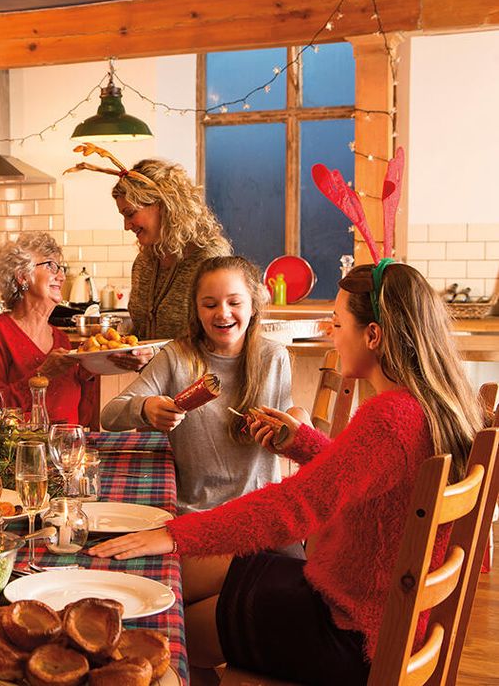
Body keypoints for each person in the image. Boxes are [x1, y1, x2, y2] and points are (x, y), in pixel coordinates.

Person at [89, 260, 481, 685]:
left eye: (336, 323)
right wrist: (301, 441)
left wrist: (176, 534)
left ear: (373, 335)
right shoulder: (421, 406)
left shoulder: (389, 417)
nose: (332, 333)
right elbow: (357, 475)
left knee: (171, 626)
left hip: (348, 631)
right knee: (174, 588)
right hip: (352, 601)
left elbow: (294, 505)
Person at [100, 256, 299, 515]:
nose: (223, 312)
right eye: (209, 304)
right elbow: (109, 416)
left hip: (259, 510)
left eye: (234, 302)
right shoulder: (175, 356)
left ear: (253, 306)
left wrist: (297, 423)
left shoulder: (274, 357)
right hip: (193, 512)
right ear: (196, 309)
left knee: (298, 558)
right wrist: (146, 407)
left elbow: (289, 417)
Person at [110, 159, 231, 372]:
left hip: (202, 389)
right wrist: (121, 339)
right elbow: (142, 329)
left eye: (130, 214)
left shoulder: (209, 259)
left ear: (163, 205)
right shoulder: (144, 262)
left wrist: (157, 355)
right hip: (157, 388)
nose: (127, 225)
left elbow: (222, 338)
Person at [0, 232, 97, 426]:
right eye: (50, 266)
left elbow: (81, 419)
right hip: (19, 453)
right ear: (22, 276)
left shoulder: (61, 339)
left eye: (60, 268)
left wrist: (89, 375)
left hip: (66, 451)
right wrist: (42, 375)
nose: (61, 276)